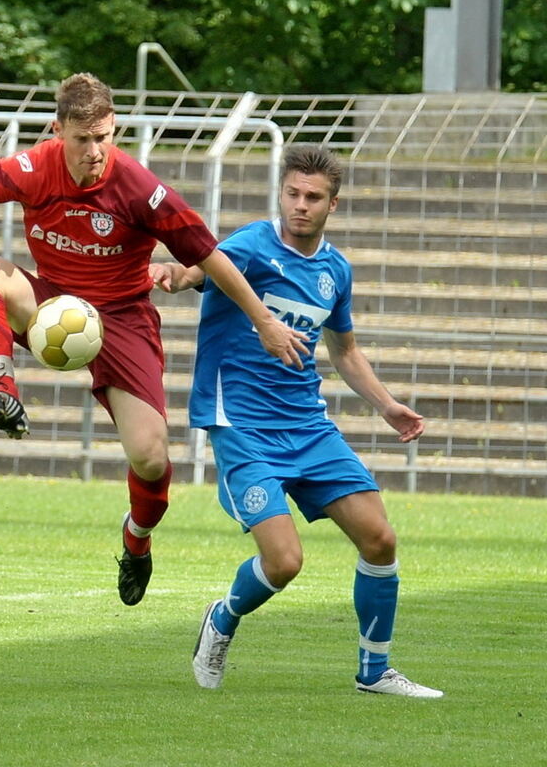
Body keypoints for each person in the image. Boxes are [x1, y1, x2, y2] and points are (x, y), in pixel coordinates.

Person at [0, 72, 308, 608]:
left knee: (152, 459)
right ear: (56, 129)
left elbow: (209, 257)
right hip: (51, 305)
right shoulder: (35, 168)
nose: (94, 150)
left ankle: (136, 537)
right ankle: (2, 387)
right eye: (82, 138)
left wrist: (264, 322)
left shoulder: (139, 189)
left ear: (115, 130)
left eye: (104, 137)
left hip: (122, 320)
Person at [149, 143, 443, 697]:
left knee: (380, 539)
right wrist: (174, 273)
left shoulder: (335, 271)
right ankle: (222, 618)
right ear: (281, 193)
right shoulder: (252, 245)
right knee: (284, 562)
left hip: (308, 426)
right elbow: (200, 268)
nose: (300, 205)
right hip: (242, 424)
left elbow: (345, 351)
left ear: (333, 204)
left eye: (313, 197)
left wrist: (386, 405)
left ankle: (375, 672)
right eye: (292, 194)